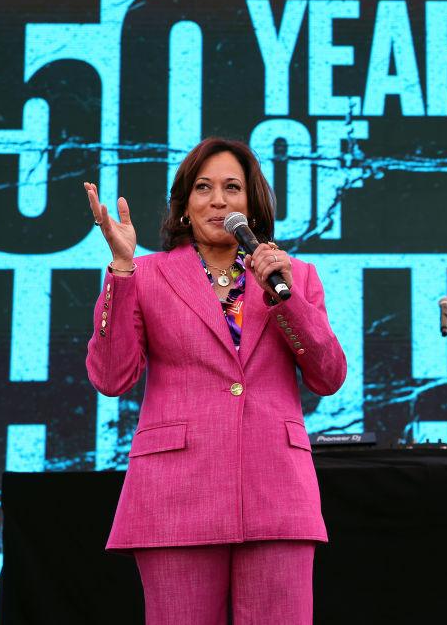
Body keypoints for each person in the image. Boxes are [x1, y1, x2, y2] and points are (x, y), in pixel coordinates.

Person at [83, 137, 347, 625]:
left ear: (253, 203)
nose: (219, 200)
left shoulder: (297, 276)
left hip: (277, 491)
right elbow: (111, 376)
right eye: (203, 188)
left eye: (232, 187)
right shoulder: (145, 274)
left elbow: (328, 376)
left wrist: (283, 297)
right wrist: (121, 270)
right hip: (175, 492)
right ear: (184, 206)